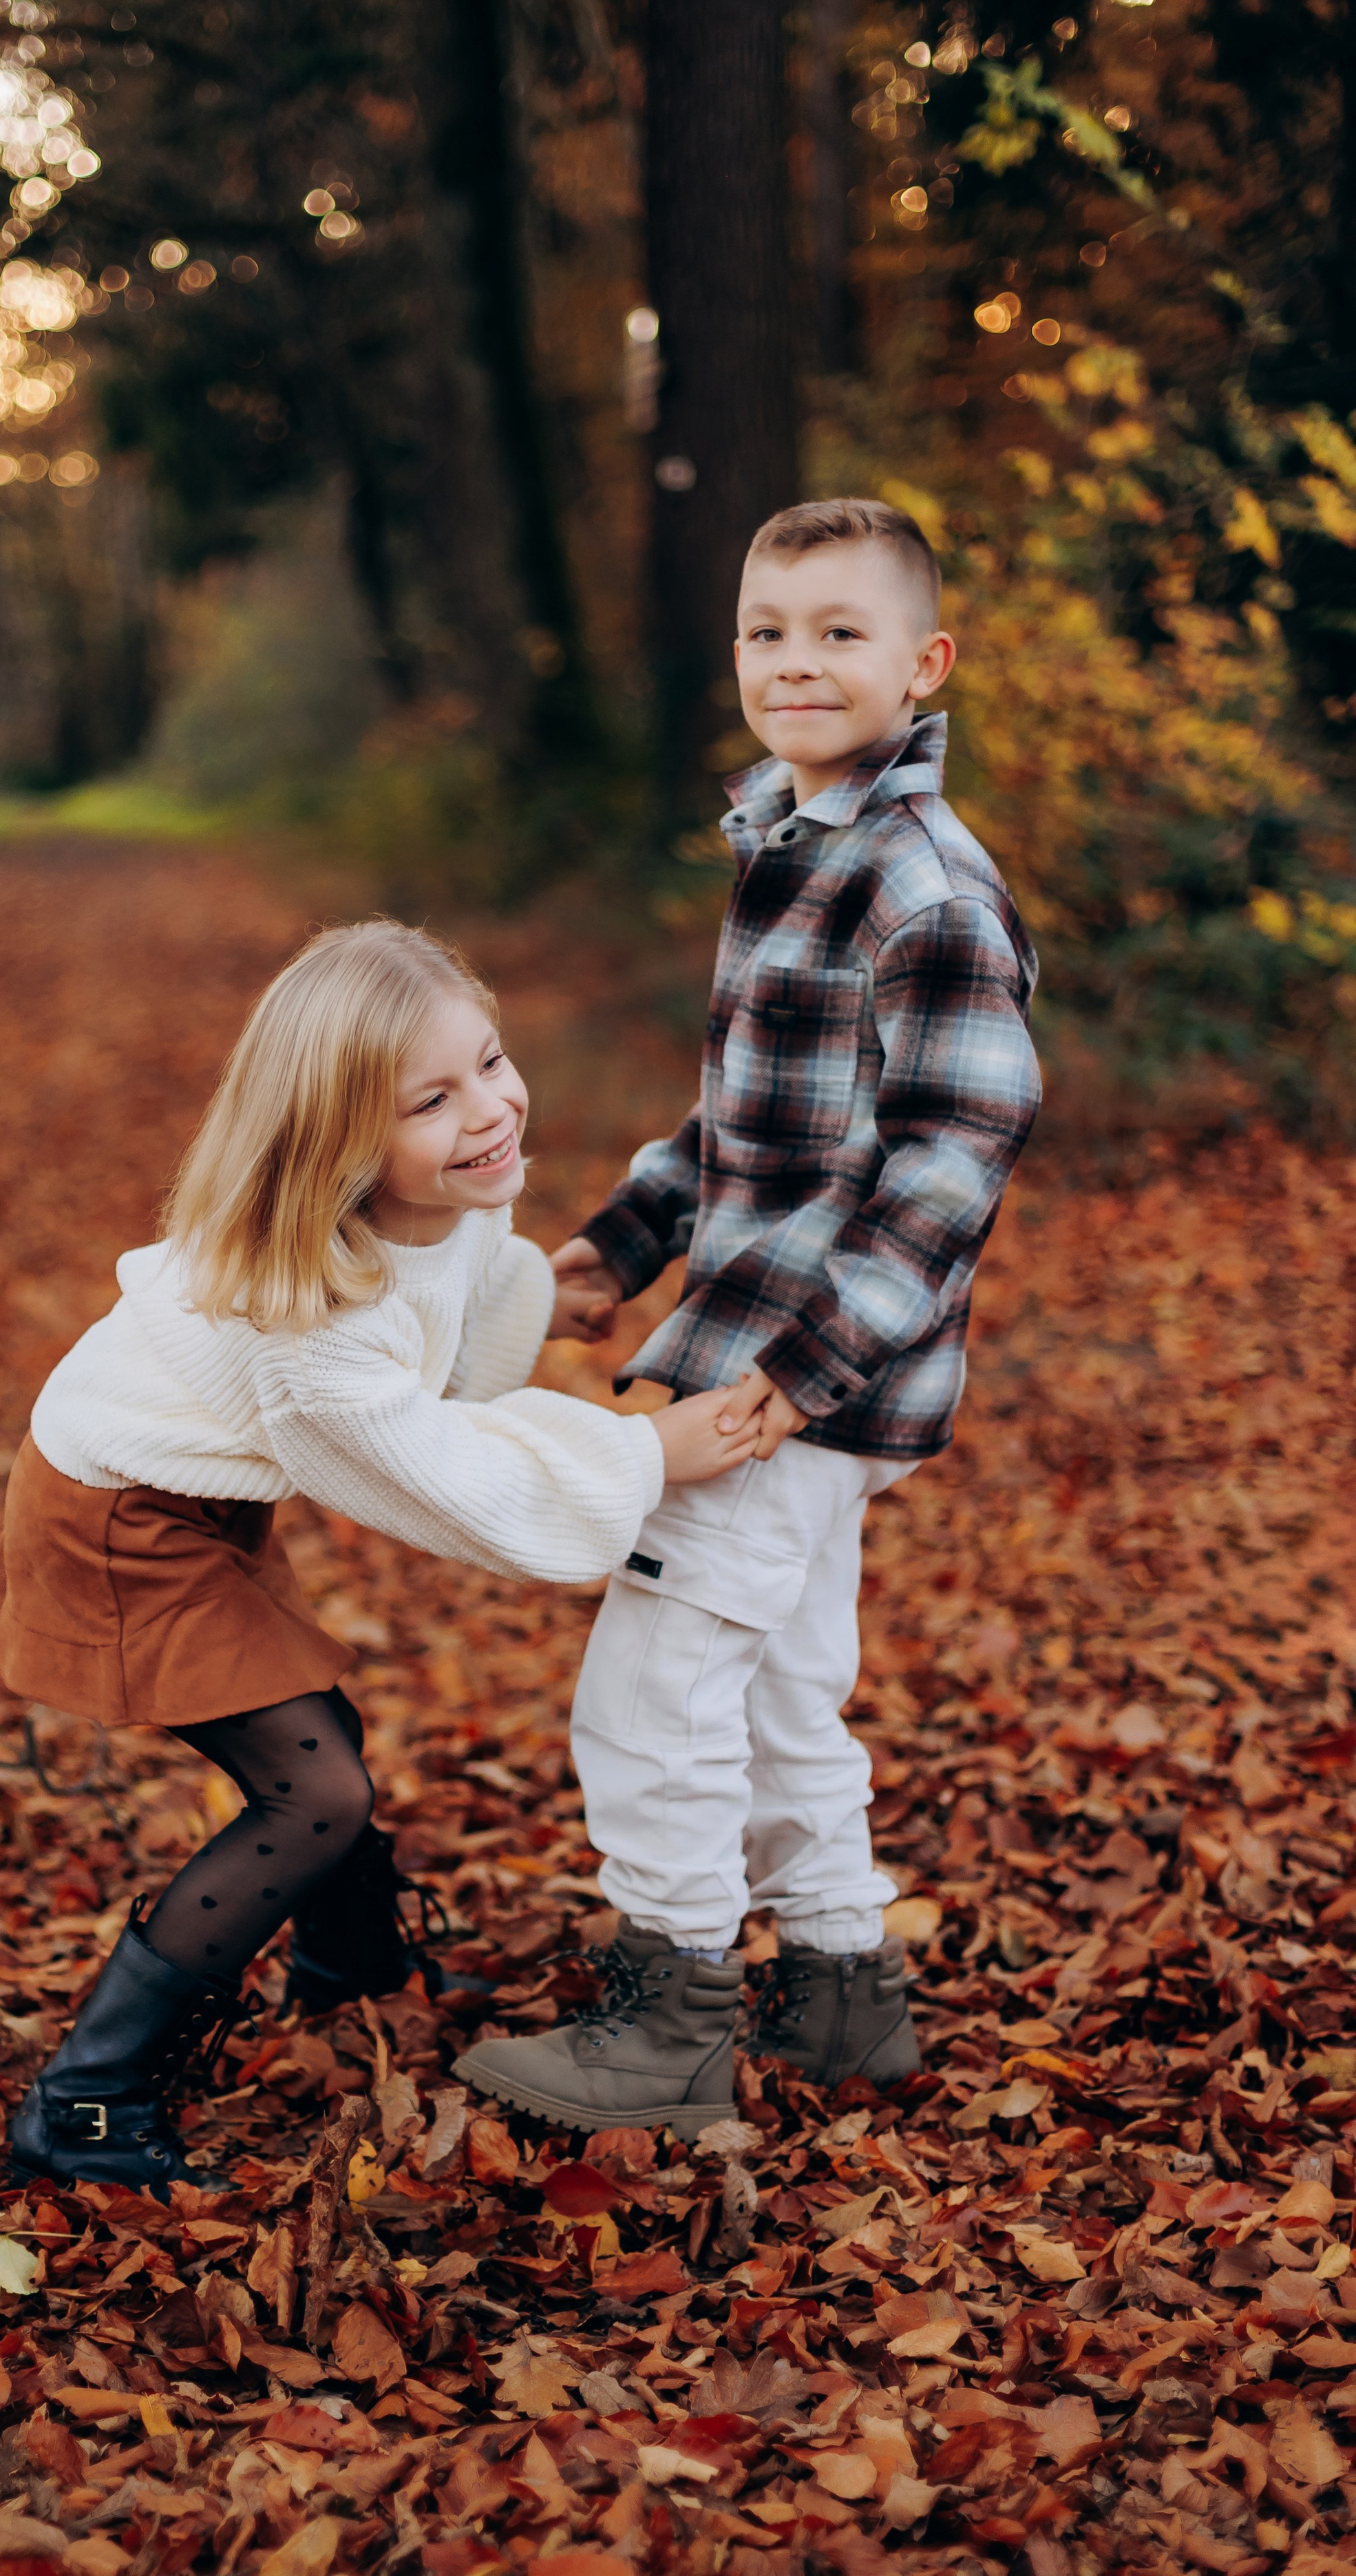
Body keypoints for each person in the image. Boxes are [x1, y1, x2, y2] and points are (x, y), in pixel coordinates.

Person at [0, 920, 765, 2197]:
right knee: (314, 1789)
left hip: (191, 1507)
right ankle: (87, 2102)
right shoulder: (306, 1323)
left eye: (491, 1064)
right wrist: (644, 1455)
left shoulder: (405, 1209)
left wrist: (532, 1300)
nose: (492, 1110)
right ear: (341, 1144)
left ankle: (354, 1969)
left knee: (313, 1725)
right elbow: (439, 1464)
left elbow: (442, 1293)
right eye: (432, 1102)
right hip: (115, 1525)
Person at [456, 497, 1041, 2138]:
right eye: (766, 631)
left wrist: (787, 1381)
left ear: (922, 664)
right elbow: (745, 1127)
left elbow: (947, 1168)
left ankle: (670, 2023)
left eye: (838, 633)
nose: (795, 661)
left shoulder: (921, 888)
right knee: (783, 1683)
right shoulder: (793, 842)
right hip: (765, 1344)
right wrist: (609, 1249)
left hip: (797, 1379)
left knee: (649, 1689)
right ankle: (843, 1990)